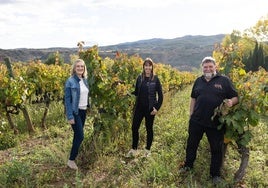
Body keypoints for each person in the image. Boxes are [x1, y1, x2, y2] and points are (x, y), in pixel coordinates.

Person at [179, 56, 239, 184]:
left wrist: (231, 102)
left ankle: (215, 175)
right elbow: (193, 98)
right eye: (205, 67)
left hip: (216, 123)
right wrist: (191, 114)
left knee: (216, 149)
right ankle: (188, 166)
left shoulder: (224, 80)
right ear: (202, 68)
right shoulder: (198, 81)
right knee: (191, 145)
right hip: (197, 121)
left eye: (210, 66)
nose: (208, 69)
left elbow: (235, 97)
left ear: (215, 67)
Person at [127, 58, 163, 157]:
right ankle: (134, 149)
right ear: (143, 67)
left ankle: (147, 150)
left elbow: (160, 95)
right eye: (146, 65)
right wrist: (126, 93)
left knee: (149, 128)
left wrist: (157, 108)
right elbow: (136, 92)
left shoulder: (155, 79)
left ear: (152, 67)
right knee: (134, 127)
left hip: (150, 109)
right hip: (139, 108)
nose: (147, 67)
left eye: (149, 65)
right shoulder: (139, 78)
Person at [64, 59, 90, 170]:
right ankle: (71, 160)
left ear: (84, 68)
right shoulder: (70, 81)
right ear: (74, 68)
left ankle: (73, 156)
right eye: (78, 66)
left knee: (77, 135)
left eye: (82, 66)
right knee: (80, 136)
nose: (80, 68)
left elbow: (86, 96)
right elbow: (67, 100)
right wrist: (70, 116)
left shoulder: (85, 80)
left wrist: (89, 106)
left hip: (83, 111)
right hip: (75, 112)